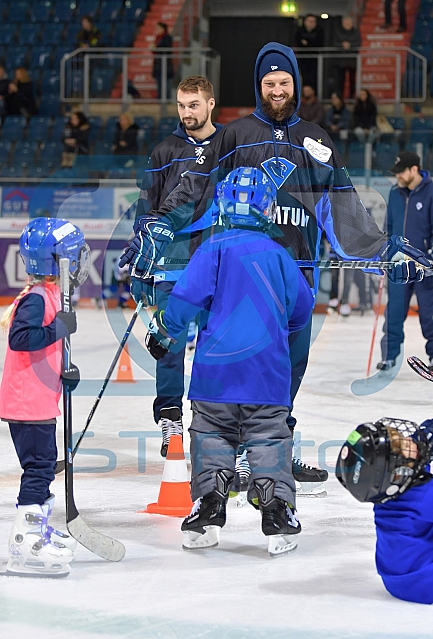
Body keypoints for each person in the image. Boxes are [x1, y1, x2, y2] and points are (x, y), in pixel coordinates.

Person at [120, 42, 431, 497]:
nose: (277, 89)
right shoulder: (236, 134)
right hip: (241, 279)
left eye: (284, 82)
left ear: (296, 87)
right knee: (239, 365)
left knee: (292, 366)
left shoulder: (317, 140)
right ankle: (237, 458)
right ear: (259, 88)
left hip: (297, 279)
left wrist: (384, 253)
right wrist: (158, 226)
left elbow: (344, 213)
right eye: (269, 84)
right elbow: (196, 189)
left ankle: (272, 450)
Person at [146, 167, 314, 555]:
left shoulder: (211, 249)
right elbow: (302, 312)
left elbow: (184, 301)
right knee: (269, 437)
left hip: (214, 377)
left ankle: (208, 505)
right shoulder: (279, 255)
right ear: (267, 208)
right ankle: (276, 513)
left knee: (210, 435)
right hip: (266, 377)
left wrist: (163, 334)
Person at [131, 75, 223, 456]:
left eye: (194, 105)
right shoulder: (164, 150)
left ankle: (212, 421)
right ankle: (171, 420)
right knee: (168, 345)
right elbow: (147, 209)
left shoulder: (230, 145)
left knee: (216, 345)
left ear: (210, 104)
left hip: (217, 262)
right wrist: (141, 252)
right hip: (172, 267)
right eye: (182, 106)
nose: (187, 113)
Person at [0, 217, 90, 578]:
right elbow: (21, 340)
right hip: (27, 403)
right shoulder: (37, 299)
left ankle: (37, 528)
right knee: (38, 468)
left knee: (43, 464)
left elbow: (45, 354)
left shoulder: (49, 293)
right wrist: (58, 329)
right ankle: (25, 539)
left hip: (37, 398)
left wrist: (62, 376)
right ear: (61, 261)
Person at [336, 416, 433, 604]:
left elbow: (418, 454)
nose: (410, 441)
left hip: (400, 581)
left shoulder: (391, 494)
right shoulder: (423, 497)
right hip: (426, 583)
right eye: (405, 444)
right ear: (397, 469)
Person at [377, 151, 433, 371]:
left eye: (401, 172)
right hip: (400, 265)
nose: (398, 176)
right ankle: (389, 357)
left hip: (425, 266)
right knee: (394, 313)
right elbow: (389, 227)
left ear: (414, 170)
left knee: (429, 314)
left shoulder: (431, 192)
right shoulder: (394, 193)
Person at [333, 16, 361, 99]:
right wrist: (342, 45)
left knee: (352, 80)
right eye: (345, 23)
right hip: (340, 60)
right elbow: (334, 43)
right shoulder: (338, 32)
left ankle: (351, 97)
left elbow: (358, 43)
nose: (347, 24)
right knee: (340, 80)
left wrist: (350, 45)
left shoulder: (356, 32)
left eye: (349, 23)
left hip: (352, 60)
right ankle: (340, 97)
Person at [294, 14, 324, 90]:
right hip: (303, 59)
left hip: (315, 59)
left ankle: (315, 95)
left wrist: (308, 43)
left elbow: (319, 43)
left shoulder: (319, 31)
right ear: (305, 22)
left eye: (314, 21)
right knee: (303, 77)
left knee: (315, 77)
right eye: (310, 21)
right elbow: (298, 43)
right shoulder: (299, 31)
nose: (312, 23)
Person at [152, 22, 173, 100]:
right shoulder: (157, 38)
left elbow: (166, 49)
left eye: (158, 28)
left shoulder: (167, 38)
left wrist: (157, 48)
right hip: (158, 64)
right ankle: (160, 99)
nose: (157, 30)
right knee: (159, 83)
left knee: (166, 83)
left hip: (165, 64)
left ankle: (166, 100)